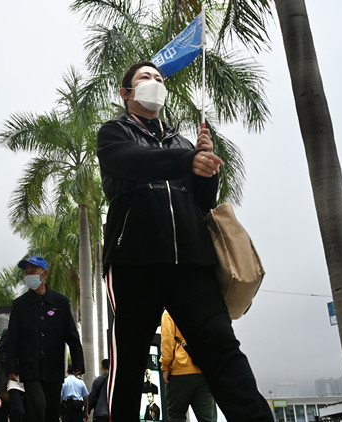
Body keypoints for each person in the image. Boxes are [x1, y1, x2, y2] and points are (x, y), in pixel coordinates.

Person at [96, 60, 273, 421]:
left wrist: (205, 165)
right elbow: (134, 163)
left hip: (192, 264)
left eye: (159, 78)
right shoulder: (113, 132)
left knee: (223, 351)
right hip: (134, 261)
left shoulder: (182, 141)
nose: (154, 83)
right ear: (126, 92)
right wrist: (188, 158)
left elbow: (203, 200)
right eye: (145, 78)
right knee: (129, 360)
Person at [6, 255, 85, 422]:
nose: (29, 274)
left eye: (33, 270)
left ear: (44, 274)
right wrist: (11, 366)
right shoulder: (19, 304)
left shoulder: (60, 302)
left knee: (51, 413)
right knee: (37, 407)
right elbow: (12, 338)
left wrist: (78, 361)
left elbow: (71, 334)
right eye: (26, 271)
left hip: (54, 368)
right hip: (30, 368)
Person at [159, 309, 217, 422]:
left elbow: (167, 342)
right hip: (203, 371)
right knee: (208, 418)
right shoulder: (204, 307)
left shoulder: (169, 313)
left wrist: (165, 367)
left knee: (176, 415)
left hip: (179, 373)